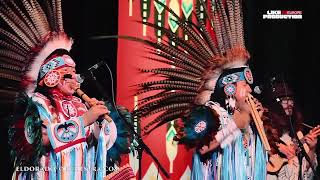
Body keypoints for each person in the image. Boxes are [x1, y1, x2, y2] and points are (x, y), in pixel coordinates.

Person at [129, 0, 268, 179]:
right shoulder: (209, 112)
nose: (250, 89)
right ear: (229, 88)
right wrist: (236, 123)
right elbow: (202, 146)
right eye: (244, 85)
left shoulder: (247, 117)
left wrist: (255, 122)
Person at [0, 0, 133, 179]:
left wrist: (100, 123)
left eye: (74, 74)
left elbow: (98, 144)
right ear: (51, 78)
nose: (74, 79)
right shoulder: (37, 103)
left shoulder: (80, 104)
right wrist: (85, 120)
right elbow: (39, 138)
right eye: (67, 75)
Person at [261, 78, 319, 180]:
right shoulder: (263, 132)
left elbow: (306, 174)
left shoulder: (296, 134)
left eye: (291, 99)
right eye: (284, 99)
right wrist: (277, 147)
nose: (290, 103)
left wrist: (311, 148)